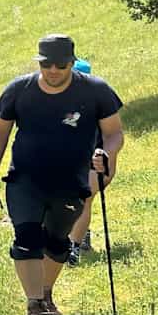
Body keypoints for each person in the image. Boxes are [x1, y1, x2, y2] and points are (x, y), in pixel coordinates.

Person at [0, 34, 124, 315]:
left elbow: (113, 134)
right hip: (25, 180)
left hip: (71, 182)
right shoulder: (19, 90)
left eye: (61, 64)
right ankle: (35, 311)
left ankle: (44, 293)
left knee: (57, 243)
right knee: (27, 239)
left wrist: (105, 155)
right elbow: (0, 134)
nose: (53, 70)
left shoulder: (96, 91)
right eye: (47, 64)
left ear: (72, 62)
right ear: (38, 62)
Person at [66, 59, 103, 265]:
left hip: (92, 161)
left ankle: (74, 248)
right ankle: (82, 234)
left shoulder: (99, 102)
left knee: (84, 199)